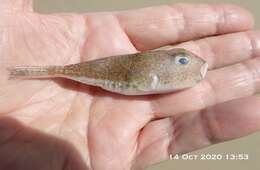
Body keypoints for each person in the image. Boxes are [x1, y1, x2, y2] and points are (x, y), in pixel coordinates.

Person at [0, 0, 259, 170]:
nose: (194, 65)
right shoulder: (153, 73)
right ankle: (30, 72)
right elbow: (135, 79)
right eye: (182, 60)